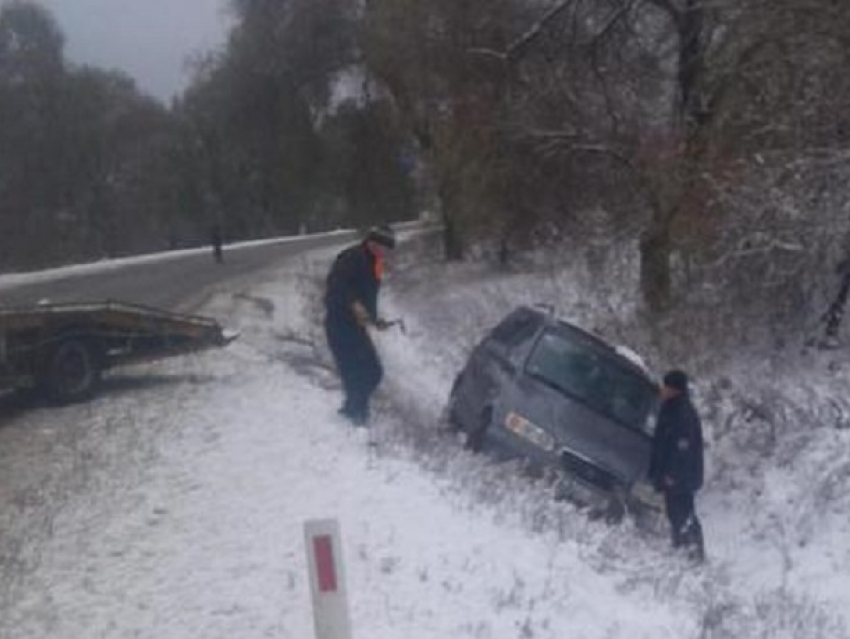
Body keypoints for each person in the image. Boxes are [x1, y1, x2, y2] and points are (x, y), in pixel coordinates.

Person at [324, 225, 396, 425]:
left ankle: (353, 411)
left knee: (373, 372)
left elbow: (367, 296)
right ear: (373, 242)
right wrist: (353, 304)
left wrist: (374, 319)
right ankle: (356, 416)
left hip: (355, 326)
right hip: (339, 323)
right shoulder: (351, 258)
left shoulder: (376, 263)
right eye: (384, 248)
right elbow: (336, 287)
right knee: (358, 372)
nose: (386, 253)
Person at [648, 369, 706, 563]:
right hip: (678, 477)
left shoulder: (682, 413)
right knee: (676, 513)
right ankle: (683, 549)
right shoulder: (672, 407)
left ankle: (694, 554)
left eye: (666, 386)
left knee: (683, 513)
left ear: (675, 389)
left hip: (681, 477)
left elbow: (683, 447)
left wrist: (671, 473)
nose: (662, 389)